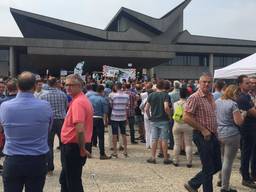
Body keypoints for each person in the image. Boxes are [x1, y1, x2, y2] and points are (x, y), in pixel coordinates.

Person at [0, 71, 53, 192]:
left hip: (13, 159)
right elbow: (48, 129)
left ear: (18, 86)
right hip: (37, 159)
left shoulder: (5, 106)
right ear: (35, 87)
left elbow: (1, 128)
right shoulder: (45, 106)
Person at [183, 73, 222, 192]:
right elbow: (186, 117)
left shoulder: (210, 96)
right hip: (202, 135)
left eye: (209, 82)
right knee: (208, 167)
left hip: (212, 135)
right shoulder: (195, 97)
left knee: (217, 165)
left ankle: (193, 183)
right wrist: (203, 130)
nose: (207, 84)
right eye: (204, 82)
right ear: (199, 83)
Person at [60, 74, 93, 192]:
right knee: (66, 179)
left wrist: (82, 148)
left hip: (74, 146)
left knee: (73, 182)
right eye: (66, 85)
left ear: (80, 86)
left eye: (71, 85)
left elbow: (80, 129)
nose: (68, 87)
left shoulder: (78, 102)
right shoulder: (80, 100)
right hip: (74, 145)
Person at [216, 85, 246, 192]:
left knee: (223, 158)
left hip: (219, 132)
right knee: (228, 161)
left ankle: (221, 179)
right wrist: (244, 114)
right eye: (237, 94)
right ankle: (225, 187)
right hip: (231, 134)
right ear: (234, 93)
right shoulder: (233, 104)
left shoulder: (217, 101)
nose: (238, 96)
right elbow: (239, 122)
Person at [39, 77, 68, 175]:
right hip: (61, 121)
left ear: (48, 84)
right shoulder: (63, 94)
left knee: (49, 145)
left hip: (48, 122)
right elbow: (65, 107)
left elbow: (41, 109)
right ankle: (65, 166)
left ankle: (49, 169)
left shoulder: (42, 96)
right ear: (56, 83)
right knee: (63, 144)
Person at [145, 80, 172, 164]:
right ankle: (165, 158)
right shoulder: (165, 95)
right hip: (164, 119)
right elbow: (166, 107)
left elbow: (146, 109)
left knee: (154, 139)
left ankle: (153, 157)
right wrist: (169, 116)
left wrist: (150, 117)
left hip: (154, 120)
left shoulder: (151, 95)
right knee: (164, 139)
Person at [236, 75, 256, 189]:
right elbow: (254, 113)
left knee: (251, 153)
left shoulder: (247, 96)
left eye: (251, 83)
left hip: (251, 128)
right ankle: (245, 178)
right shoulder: (243, 98)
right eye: (247, 83)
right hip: (247, 129)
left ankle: (252, 175)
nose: (250, 85)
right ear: (240, 84)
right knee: (246, 154)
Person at [87, 84, 111, 160]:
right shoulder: (103, 99)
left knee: (90, 137)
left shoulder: (90, 98)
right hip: (99, 118)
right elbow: (105, 112)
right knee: (101, 137)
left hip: (91, 118)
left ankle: (88, 152)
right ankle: (102, 154)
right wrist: (105, 121)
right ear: (102, 91)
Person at [172, 87, 193, 168]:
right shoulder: (189, 104)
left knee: (177, 144)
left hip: (177, 124)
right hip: (187, 125)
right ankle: (189, 162)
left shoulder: (175, 104)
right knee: (188, 144)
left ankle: (175, 160)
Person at [109, 82, 129, 157]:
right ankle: (125, 150)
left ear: (116, 87)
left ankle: (115, 151)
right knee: (123, 134)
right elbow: (127, 106)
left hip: (114, 116)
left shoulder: (112, 96)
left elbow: (111, 105)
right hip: (123, 116)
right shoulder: (127, 96)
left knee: (114, 134)